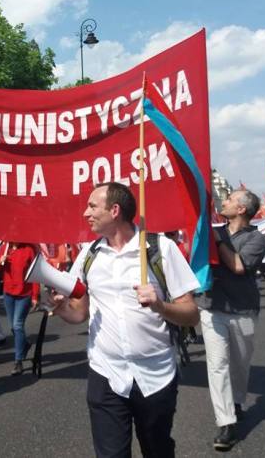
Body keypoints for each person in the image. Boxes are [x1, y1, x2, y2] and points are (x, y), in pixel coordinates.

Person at [52, 182, 200, 458]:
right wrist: (63, 311)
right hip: (106, 374)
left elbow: (191, 314)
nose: (86, 213)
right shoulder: (88, 255)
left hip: (156, 376)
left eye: (93, 206)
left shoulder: (160, 249)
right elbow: (79, 312)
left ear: (115, 210)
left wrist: (160, 306)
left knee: (157, 451)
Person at [198, 190, 265, 451]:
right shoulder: (213, 230)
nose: (223, 201)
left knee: (240, 364)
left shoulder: (256, 238)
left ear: (241, 209)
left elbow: (238, 266)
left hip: (243, 311)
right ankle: (226, 423)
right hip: (212, 307)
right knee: (217, 365)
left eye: (229, 199)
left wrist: (218, 241)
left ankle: (237, 401)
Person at [0, 241, 39, 376]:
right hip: (8, 292)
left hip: (24, 293)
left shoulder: (29, 249)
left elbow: (35, 274)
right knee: (13, 327)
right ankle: (24, 344)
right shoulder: (4, 248)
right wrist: (0, 263)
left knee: (17, 325)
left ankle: (18, 361)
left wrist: (35, 296)